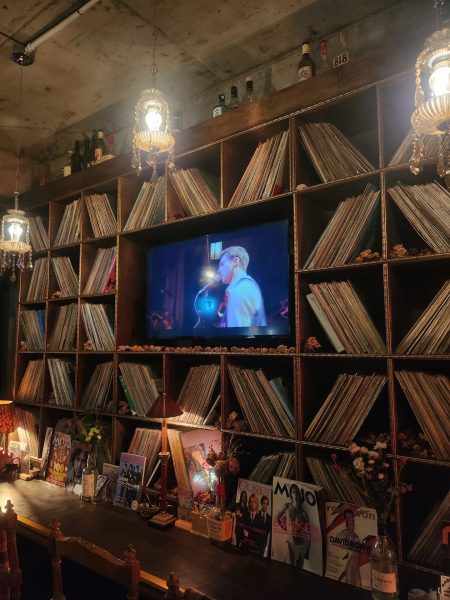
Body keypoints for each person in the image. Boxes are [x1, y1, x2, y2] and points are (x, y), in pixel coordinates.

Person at [216, 246, 267, 328]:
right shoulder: (244, 286)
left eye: (222, 264)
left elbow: (237, 334)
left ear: (236, 261)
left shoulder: (241, 289)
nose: (218, 270)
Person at [276, 483, 311, 568]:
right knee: (290, 567)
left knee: (299, 569)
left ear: (299, 494)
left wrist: (308, 551)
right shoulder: (287, 507)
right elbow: (277, 517)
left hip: (301, 545)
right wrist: (284, 528)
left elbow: (309, 534)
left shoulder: (304, 513)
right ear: (291, 494)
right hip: (290, 543)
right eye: (293, 492)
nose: (295, 495)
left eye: (297, 493)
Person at [339, 508, 362, 585]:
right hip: (350, 564)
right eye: (348, 517)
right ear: (346, 519)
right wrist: (347, 548)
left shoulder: (356, 535)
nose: (350, 518)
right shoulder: (345, 532)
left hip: (356, 565)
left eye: (351, 516)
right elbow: (335, 541)